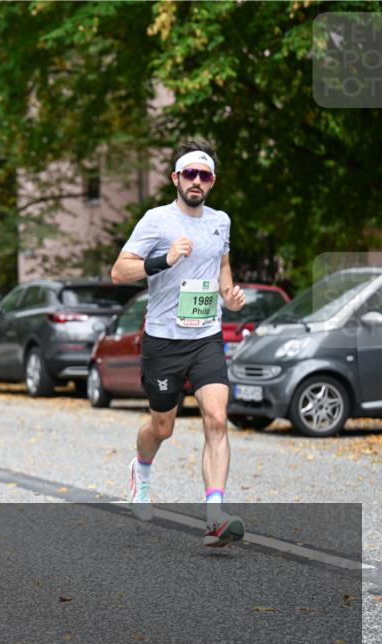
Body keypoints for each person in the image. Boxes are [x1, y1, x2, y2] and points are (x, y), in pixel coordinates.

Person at [110, 139, 247, 547]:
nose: (196, 181)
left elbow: (222, 263)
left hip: (206, 337)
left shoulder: (220, 221)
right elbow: (119, 272)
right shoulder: (156, 220)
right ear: (176, 178)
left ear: (212, 182)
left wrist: (229, 294)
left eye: (204, 175)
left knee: (217, 418)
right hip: (164, 341)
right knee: (162, 426)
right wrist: (163, 259)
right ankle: (141, 469)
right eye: (190, 173)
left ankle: (215, 517)